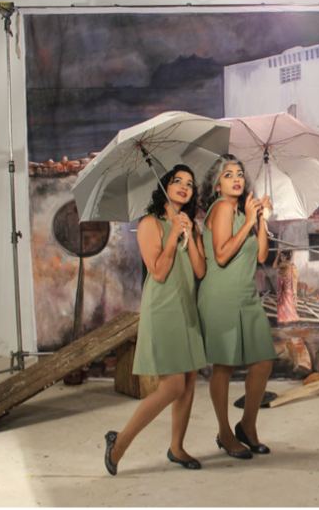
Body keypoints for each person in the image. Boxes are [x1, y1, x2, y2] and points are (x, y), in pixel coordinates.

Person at [104, 165, 207, 476]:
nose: (184, 187)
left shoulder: (191, 225)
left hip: (187, 306)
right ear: (165, 186)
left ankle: (176, 447)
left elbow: (201, 271)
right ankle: (120, 441)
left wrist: (188, 236)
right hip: (163, 307)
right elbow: (159, 272)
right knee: (173, 385)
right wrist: (173, 232)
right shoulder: (150, 223)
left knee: (189, 381)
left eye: (189, 183)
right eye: (178, 181)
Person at [197, 154, 276, 459]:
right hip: (221, 295)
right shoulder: (223, 207)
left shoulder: (243, 211)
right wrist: (250, 222)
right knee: (225, 366)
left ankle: (248, 425)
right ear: (217, 185)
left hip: (245, 294)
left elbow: (260, 256)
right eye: (228, 175)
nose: (237, 179)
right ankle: (225, 432)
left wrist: (262, 218)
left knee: (262, 362)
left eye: (240, 173)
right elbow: (221, 255)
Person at [273, 250, 300, 323]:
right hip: (284, 290)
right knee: (285, 306)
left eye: (282, 256)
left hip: (287, 289)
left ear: (285, 256)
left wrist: (278, 254)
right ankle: (286, 320)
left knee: (286, 305)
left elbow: (274, 266)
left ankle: (287, 319)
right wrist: (293, 253)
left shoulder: (286, 265)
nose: (281, 257)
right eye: (281, 256)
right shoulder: (288, 265)